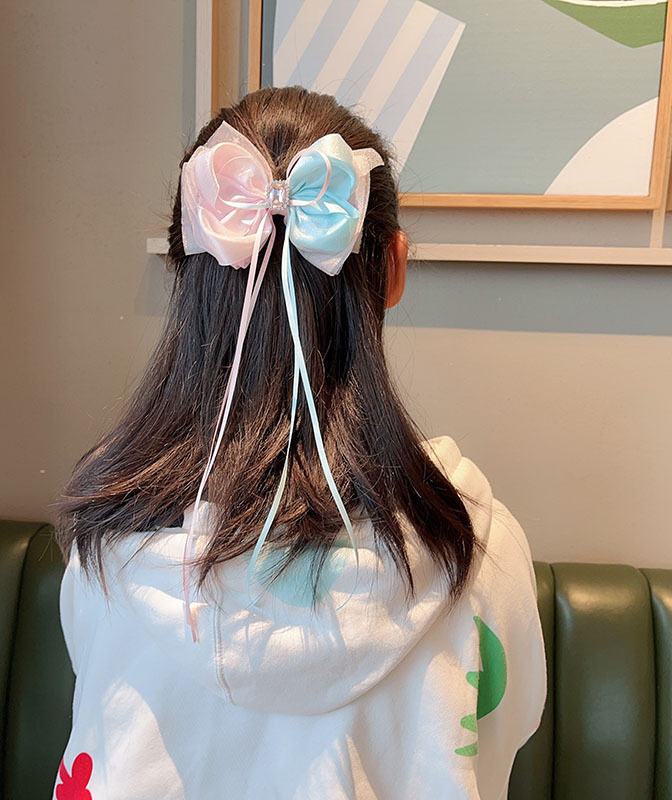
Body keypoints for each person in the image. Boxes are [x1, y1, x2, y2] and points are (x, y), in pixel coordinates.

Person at [49, 86, 547, 800]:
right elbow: (506, 727)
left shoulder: (111, 542)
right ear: (395, 268)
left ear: (185, 271)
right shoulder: (475, 550)